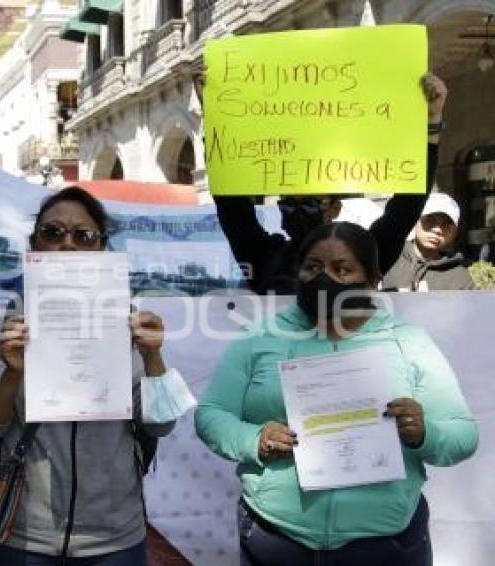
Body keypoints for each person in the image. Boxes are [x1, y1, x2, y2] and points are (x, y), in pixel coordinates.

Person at [195, 221, 478, 566]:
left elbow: (463, 434)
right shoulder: (260, 336)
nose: (323, 278)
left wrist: (424, 433)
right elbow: (211, 414)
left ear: (372, 280)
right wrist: (254, 439)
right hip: (278, 540)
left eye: (342, 269)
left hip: (384, 546)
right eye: (312, 267)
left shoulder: (408, 341)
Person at [0, 187, 178, 565]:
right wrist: (11, 375)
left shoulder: (128, 323)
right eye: (52, 233)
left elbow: (161, 425)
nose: (67, 245)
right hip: (22, 536)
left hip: (113, 537)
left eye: (83, 236)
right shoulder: (2, 323)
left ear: (101, 248)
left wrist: (153, 357)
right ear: (34, 245)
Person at [198, 73, 448, 295]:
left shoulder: (365, 254)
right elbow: (232, 208)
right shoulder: (265, 256)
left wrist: (431, 127)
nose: (294, 211)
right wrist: (217, 118)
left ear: (334, 209)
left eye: (308, 203)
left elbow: (406, 208)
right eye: (288, 203)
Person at [382, 192, 475, 291]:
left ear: (455, 232)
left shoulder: (461, 278)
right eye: (430, 220)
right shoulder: (388, 259)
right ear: (415, 221)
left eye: (446, 224)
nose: (437, 230)